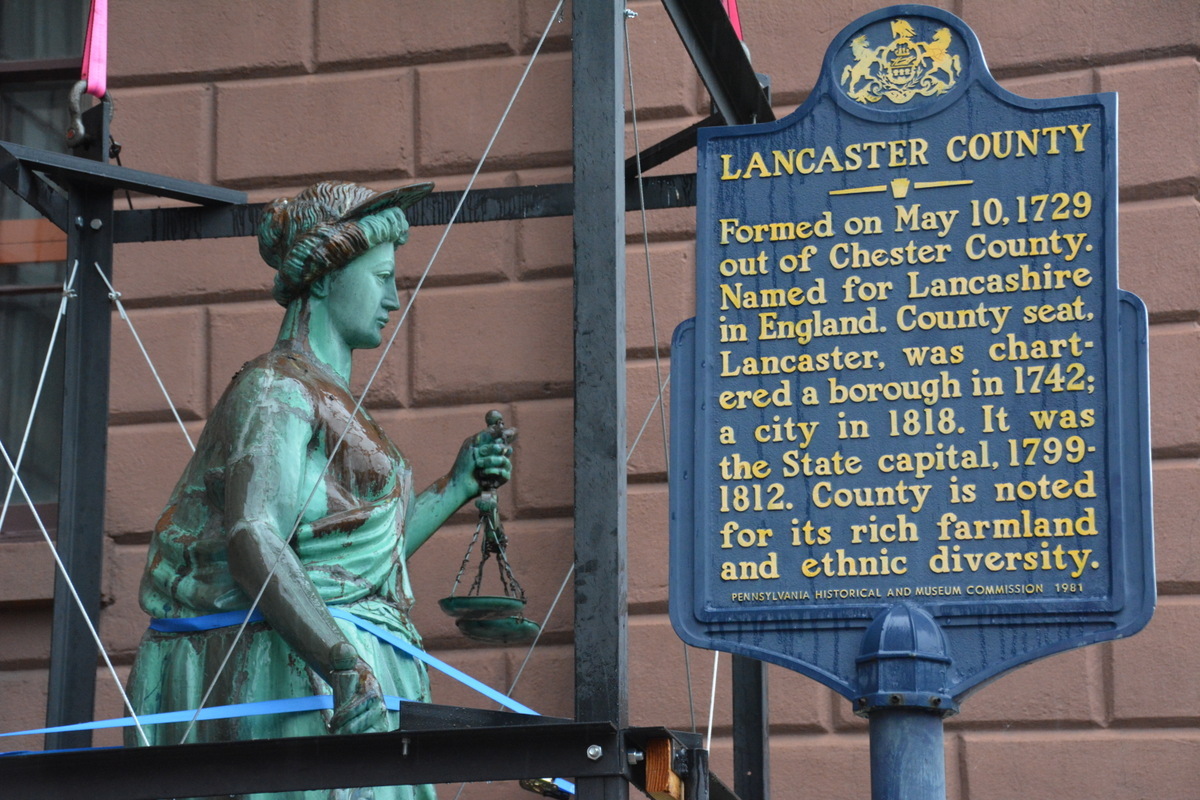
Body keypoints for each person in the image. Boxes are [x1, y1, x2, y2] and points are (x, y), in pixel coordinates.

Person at [124, 181, 511, 800]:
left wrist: (458, 484)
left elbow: (357, 562)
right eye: (381, 277)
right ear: (327, 277)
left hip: (346, 665)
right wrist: (340, 660)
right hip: (293, 674)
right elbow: (254, 534)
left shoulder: (327, 396)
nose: (393, 298)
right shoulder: (275, 388)